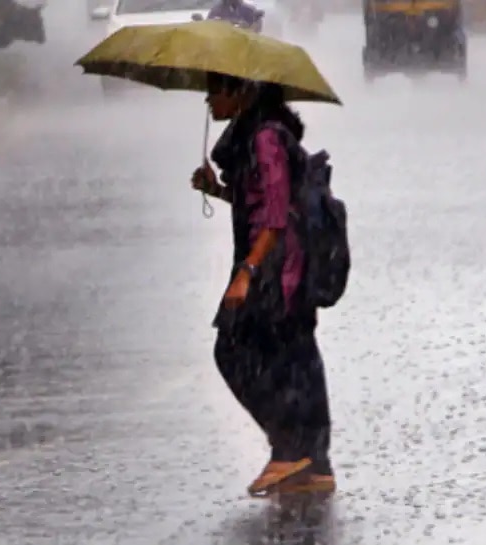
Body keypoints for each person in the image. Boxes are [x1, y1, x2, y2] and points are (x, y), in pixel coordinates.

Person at [191, 72, 335, 497]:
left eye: (214, 90)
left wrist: (247, 273)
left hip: (277, 268)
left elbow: (273, 215)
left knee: (234, 350)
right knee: (294, 358)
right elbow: (261, 202)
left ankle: (290, 449)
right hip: (281, 263)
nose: (208, 100)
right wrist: (218, 190)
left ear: (241, 92)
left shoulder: (266, 139)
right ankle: (313, 463)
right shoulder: (258, 135)